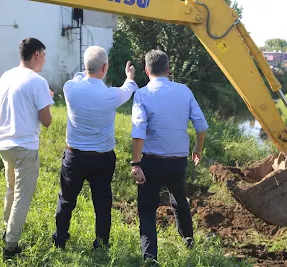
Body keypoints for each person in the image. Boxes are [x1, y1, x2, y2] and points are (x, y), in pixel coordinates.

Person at [51, 46, 138, 250]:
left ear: (85, 66)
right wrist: (129, 76)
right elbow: (129, 88)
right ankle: (101, 244)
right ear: (105, 67)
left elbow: (79, 76)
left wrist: (85, 71)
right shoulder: (112, 95)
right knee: (102, 203)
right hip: (102, 159)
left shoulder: (70, 88)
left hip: (74, 157)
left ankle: (60, 240)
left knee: (66, 200)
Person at [130, 49, 209, 263]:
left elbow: (138, 131)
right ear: (168, 69)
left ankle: (150, 258)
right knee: (180, 201)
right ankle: (189, 243)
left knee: (147, 209)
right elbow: (201, 126)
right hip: (178, 161)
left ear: (146, 71)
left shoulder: (142, 94)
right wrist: (197, 149)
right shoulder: (184, 91)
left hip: (151, 162)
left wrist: (136, 163)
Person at [0, 37, 54, 258]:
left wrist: (42, 98)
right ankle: (11, 246)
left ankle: (7, 230)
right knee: (22, 196)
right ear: (37, 54)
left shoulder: (6, 76)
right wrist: (46, 102)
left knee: (11, 190)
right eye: (44, 56)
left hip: (4, 143)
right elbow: (46, 120)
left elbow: (17, 103)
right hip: (25, 146)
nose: (45, 62)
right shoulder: (37, 81)